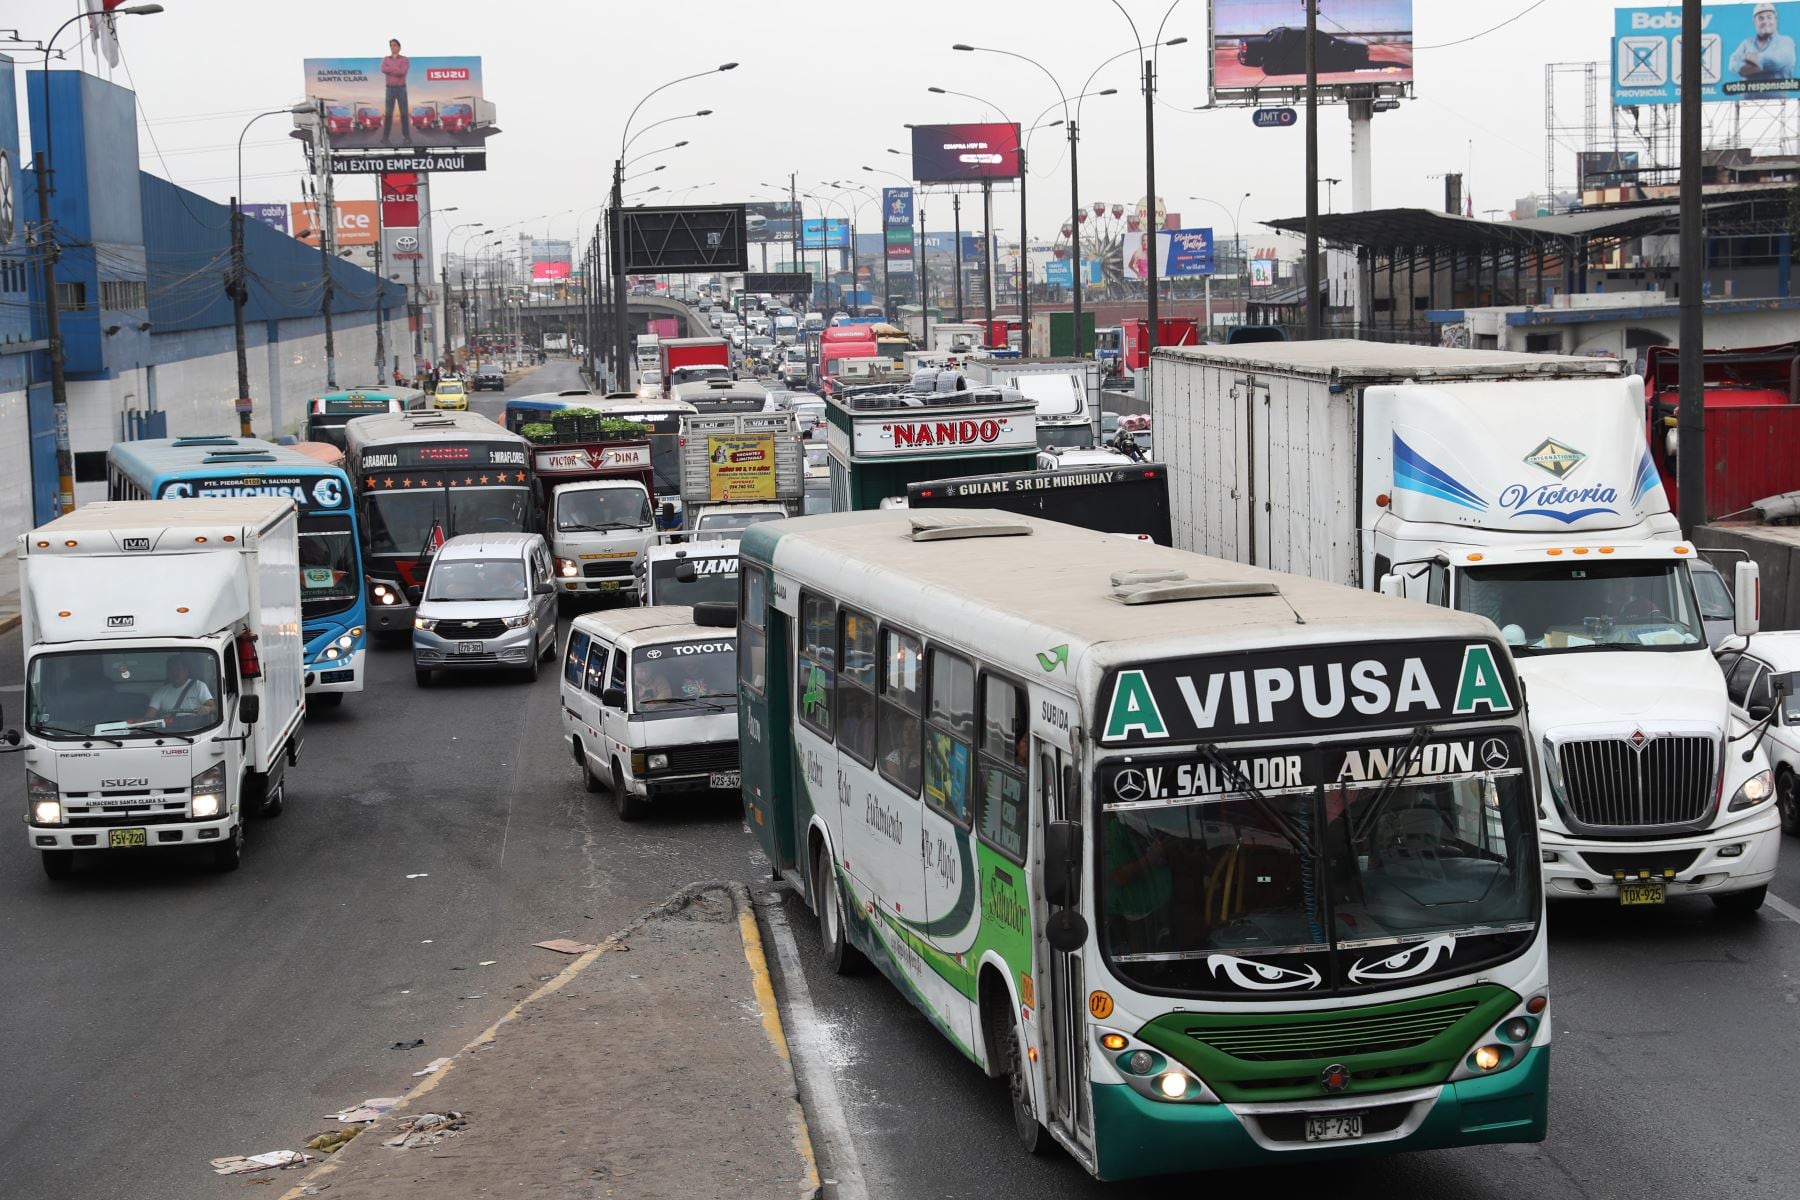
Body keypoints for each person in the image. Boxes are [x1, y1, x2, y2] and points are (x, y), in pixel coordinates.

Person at [1730, 3, 1797, 81]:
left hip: (1776, 92)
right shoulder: (1746, 43)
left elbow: (1775, 61)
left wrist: (1747, 57)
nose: (1765, 21)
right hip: (1748, 91)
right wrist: (1762, 65)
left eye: (1769, 17)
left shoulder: (1786, 41)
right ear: (1755, 22)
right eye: (1760, 18)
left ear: (1775, 19)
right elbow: (1733, 64)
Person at [146, 657, 216, 726]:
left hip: (195, 730)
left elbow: (215, 707)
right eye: (171, 670)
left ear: (186, 671)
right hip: (168, 731)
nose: (174, 673)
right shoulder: (160, 692)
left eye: (177, 669)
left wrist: (208, 709)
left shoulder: (198, 686)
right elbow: (149, 717)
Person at [379, 38, 411, 145]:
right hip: (389, 89)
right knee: (388, 114)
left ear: (399, 47)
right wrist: (396, 68)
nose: (393, 47)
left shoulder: (405, 59)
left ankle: (407, 137)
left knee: (404, 114)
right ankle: (385, 137)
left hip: (401, 88)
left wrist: (391, 69)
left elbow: (402, 72)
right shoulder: (386, 59)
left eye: (395, 45)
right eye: (391, 45)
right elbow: (383, 69)